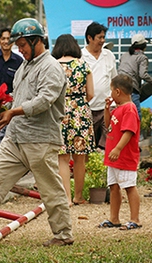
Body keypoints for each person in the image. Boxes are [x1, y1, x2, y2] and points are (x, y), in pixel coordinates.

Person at [0, 18, 73, 247]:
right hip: (15, 138)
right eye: (18, 45)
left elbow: (44, 101)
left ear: (36, 40)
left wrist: (13, 112)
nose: (19, 49)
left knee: (50, 189)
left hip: (40, 139)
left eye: (23, 45)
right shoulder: (23, 67)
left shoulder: (51, 67)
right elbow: (17, 100)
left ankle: (63, 234)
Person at [51, 34, 95, 207]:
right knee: (80, 157)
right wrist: (78, 103)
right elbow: (91, 93)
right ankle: (78, 197)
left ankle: (66, 199)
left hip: (59, 112)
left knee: (62, 157)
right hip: (80, 112)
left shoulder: (54, 66)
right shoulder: (83, 64)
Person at [98, 74, 141, 230]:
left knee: (129, 186)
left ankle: (135, 219)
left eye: (111, 91)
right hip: (114, 158)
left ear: (117, 92)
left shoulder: (129, 109)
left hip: (124, 156)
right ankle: (114, 219)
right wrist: (107, 109)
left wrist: (118, 148)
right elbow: (108, 124)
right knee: (114, 186)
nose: (110, 94)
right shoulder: (118, 108)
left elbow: (129, 131)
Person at [82, 22, 117, 150]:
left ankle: (105, 167)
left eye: (104, 37)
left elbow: (114, 79)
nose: (102, 40)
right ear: (90, 38)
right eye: (99, 37)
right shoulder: (81, 57)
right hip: (88, 108)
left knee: (106, 144)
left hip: (107, 108)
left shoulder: (109, 55)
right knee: (89, 144)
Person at [118, 34, 152, 120]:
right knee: (136, 117)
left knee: (122, 117)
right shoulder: (142, 57)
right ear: (144, 46)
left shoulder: (124, 55)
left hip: (118, 89)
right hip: (131, 90)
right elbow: (143, 75)